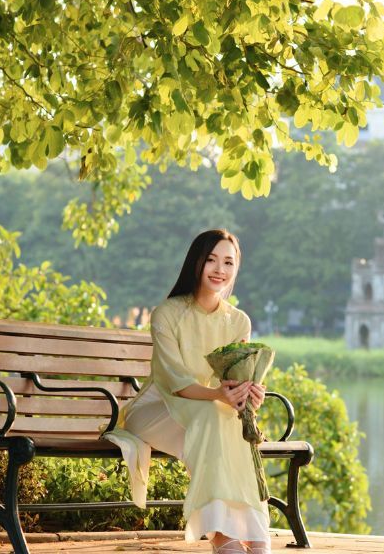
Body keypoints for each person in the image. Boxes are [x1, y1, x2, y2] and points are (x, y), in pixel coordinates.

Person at [104, 229, 270, 554]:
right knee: (213, 418)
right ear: (196, 262)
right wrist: (220, 397)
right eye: (211, 260)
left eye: (228, 262)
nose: (219, 269)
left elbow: (234, 382)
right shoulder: (167, 313)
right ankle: (222, 536)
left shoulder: (238, 322)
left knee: (229, 422)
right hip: (155, 410)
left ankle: (255, 533)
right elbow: (175, 382)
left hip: (205, 412)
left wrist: (248, 397)